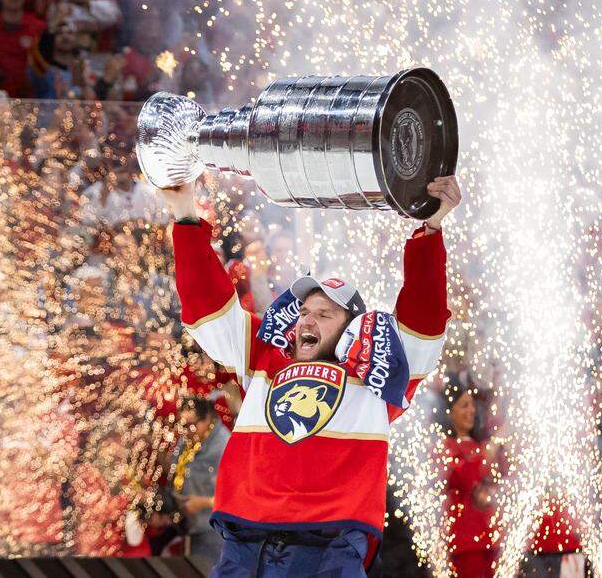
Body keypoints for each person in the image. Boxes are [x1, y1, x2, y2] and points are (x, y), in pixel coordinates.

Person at [158, 171, 460, 576]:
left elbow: (424, 320)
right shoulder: (264, 359)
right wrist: (183, 213)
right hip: (248, 536)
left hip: (331, 541)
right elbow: (208, 308)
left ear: (351, 326)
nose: (306, 321)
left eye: (324, 314)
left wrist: (431, 228)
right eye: (302, 312)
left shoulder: (377, 376)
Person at [167, 396, 230, 566]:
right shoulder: (188, 438)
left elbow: (238, 497)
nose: (185, 430)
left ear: (208, 418)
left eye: (191, 425)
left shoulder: (225, 446)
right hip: (187, 529)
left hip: (213, 534)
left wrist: (203, 502)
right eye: (182, 425)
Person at [443, 378, 495, 577]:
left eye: (473, 405)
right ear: (450, 412)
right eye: (464, 405)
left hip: (486, 538)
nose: (471, 410)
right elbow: (467, 478)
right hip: (465, 541)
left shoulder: (476, 445)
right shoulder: (445, 447)